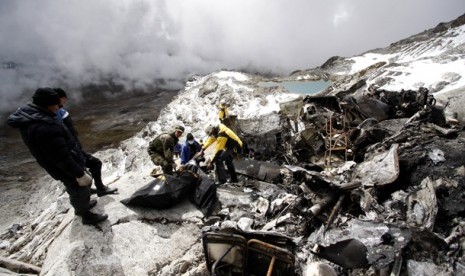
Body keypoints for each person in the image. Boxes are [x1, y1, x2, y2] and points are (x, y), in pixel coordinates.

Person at [7, 88, 108, 225]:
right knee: (78, 189)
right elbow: (60, 157)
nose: (58, 107)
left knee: (78, 189)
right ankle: (85, 215)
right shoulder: (43, 128)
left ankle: (82, 206)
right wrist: (79, 173)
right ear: (46, 104)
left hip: (62, 163)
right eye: (56, 104)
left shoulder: (35, 117)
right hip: (65, 166)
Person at [54, 88, 117, 197]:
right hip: (70, 151)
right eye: (64, 99)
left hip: (74, 148)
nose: (65, 101)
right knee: (86, 171)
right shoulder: (55, 115)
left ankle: (95, 190)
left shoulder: (59, 111)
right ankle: (85, 205)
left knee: (93, 164)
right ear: (59, 98)